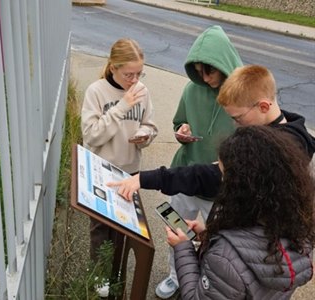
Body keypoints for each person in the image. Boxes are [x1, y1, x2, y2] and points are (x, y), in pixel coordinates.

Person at [107, 65, 315, 201]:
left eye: (238, 118)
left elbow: (210, 175)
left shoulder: (271, 148)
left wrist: (144, 179)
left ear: (263, 106)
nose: (235, 126)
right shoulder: (288, 130)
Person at [166, 125, 315, 299]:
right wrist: (208, 236)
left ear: (243, 186)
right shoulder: (302, 229)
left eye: (225, 175)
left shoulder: (223, 257)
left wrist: (182, 249)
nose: (221, 180)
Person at [153, 25, 243, 298]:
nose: (205, 78)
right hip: (187, 176)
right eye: (199, 71)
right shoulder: (192, 90)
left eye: (210, 70)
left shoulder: (243, 95)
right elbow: (179, 121)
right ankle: (175, 275)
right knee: (177, 229)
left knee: (217, 240)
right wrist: (181, 133)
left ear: (224, 64)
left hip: (223, 185)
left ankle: (204, 279)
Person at [81, 38, 158, 297]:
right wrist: (122, 106)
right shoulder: (97, 91)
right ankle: (98, 274)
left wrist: (145, 135)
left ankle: (116, 275)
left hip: (130, 172)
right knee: (100, 229)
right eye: (128, 74)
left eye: (139, 73)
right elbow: (92, 136)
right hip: (101, 169)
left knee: (124, 228)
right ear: (113, 67)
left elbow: (150, 125)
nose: (134, 80)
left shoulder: (143, 91)